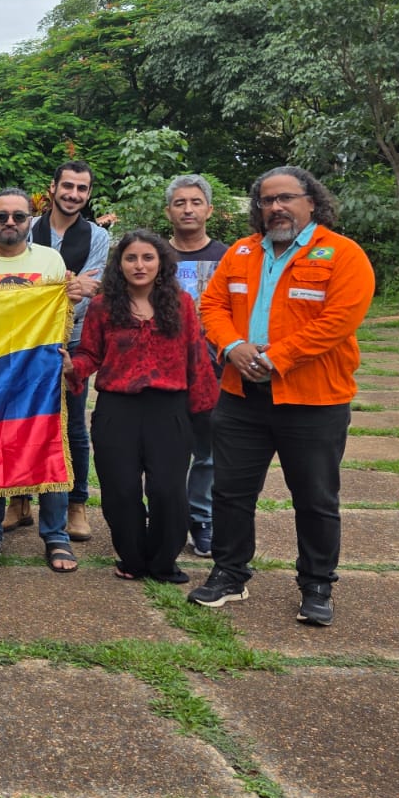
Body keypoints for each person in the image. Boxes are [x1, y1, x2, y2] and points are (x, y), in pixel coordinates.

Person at [189, 167, 374, 627]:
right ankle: (230, 574)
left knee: (314, 497)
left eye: (286, 198)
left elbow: (339, 320)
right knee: (231, 492)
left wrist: (277, 358)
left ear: (312, 201)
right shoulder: (243, 251)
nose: (275, 208)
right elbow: (211, 304)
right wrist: (233, 347)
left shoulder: (342, 254)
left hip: (314, 400)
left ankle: (316, 584)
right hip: (241, 394)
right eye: (267, 200)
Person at [69, 231, 219, 582]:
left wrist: (205, 412)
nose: (139, 265)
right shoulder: (102, 306)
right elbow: (90, 353)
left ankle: (164, 561)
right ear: (119, 265)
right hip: (117, 410)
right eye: (131, 258)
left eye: (147, 258)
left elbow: (196, 355)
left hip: (169, 410)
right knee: (120, 490)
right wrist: (71, 368)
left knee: (167, 491)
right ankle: (132, 559)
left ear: (161, 263)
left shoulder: (180, 303)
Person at [0, 187, 83, 573]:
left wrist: (62, 351)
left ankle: (55, 535)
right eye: (1, 217)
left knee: (50, 449)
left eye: (18, 216)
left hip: (39, 378)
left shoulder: (50, 260)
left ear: (31, 220)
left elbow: (64, 315)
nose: (10, 223)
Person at [31, 160, 108, 541]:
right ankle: (17, 498)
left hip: (73, 339)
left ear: (88, 194)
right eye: (68, 186)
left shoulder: (98, 237)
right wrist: (65, 285)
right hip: (22, 341)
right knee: (19, 420)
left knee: (74, 423)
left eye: (82, 189)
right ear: (53, 187)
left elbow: (89, 290)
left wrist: (51, 288)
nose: (73, 194)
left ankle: (77, 503)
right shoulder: (25, 227)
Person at [164, 174, 229, 558]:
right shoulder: (153, 255)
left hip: (215, 369)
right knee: (164, 452)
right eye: (179, 203)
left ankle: (202, 519)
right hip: (164, 371)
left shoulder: (230, 256)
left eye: (195, 202)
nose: (188, 209)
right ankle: (165, 517)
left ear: (209, 209)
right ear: (168, 210)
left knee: (208, 452)